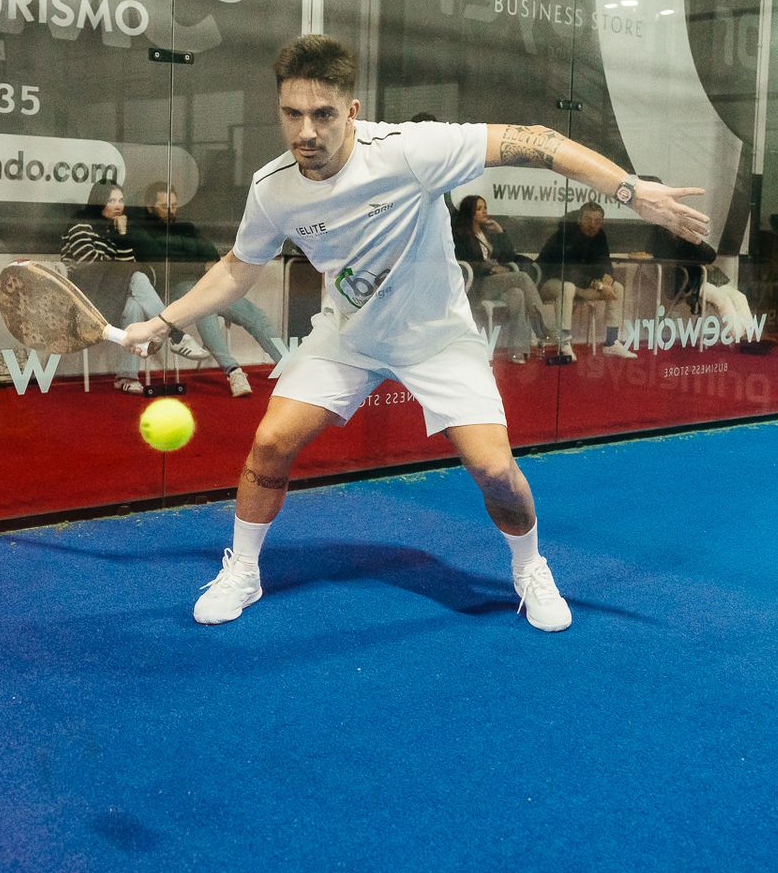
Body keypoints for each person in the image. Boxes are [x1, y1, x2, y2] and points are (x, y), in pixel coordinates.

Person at [120, 34, 709, 632]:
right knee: (271, 442)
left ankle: (530, 568)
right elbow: (238, 268)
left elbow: (540, 143)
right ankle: (242, 569)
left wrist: (633, 192)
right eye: (292, 115)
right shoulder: (273, 188)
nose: (306, 132)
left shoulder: (410, 150)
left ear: (351, 112)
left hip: (438, 337)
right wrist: (163, 321)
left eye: (323, 115)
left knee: (496, 472)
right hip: (349, 336)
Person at [129, 181, 287, 399]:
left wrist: (189, 258)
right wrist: (193, 259)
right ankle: (233, 371)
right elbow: (160, 261)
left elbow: (210, 255)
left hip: (207, 284)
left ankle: (290, 369)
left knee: (255, 316)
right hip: (174, 290)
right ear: (149, 206)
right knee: (206, 308)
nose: (170, 210)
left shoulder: (185, 228)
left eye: (174, 205)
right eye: (164, 205)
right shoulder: (140, 231)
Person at [58, 180, 212, 394]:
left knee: (134, 305)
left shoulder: (114, 229)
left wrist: (121, 235)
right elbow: (87, 264)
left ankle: (126, 377)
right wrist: (120, 262)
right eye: (112, 200)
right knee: (136, 275)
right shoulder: (81, 225)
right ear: (98, 202)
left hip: (111, 294)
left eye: (121, 200)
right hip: (86, 299)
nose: (118, 205)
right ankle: (175, 335)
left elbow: (127, 261)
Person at [451, 194, 551, 363]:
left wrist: (500, 232)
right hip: (478, 284)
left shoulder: (487, 233)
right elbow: (461, 261)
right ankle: (542, 327)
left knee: (517, 294)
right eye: (479, 209)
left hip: (496, 283)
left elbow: (509, 255)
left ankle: (518, 351)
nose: (484, 212)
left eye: (485, 208)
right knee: (522, 277)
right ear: (470, 212)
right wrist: (490, 268)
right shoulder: (460, 234)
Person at [536, 200, 637, 359]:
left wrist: (608, 276)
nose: (592, 225)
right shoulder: (566, 234)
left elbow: (605, 262)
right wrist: (596, 284)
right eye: (588, 220)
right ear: (579, 220)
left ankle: (611, 342)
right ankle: (564, 342)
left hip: (580, 284)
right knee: (567, 286)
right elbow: (567, 271)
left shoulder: (600, 235)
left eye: (597, 221)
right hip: (549, 281)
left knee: (617, 288)